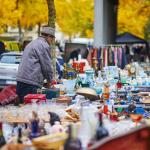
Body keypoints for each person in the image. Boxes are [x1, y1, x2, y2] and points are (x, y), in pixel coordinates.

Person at [16, 26, 55, 103]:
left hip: (21, 81)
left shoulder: (33, 43)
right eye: (52, 38)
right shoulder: (43, 45)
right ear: (49, 36)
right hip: (30, 83)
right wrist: (50, 81)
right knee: (31, 110)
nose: (52, 41)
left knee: (23, 108)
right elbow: (47, 66)